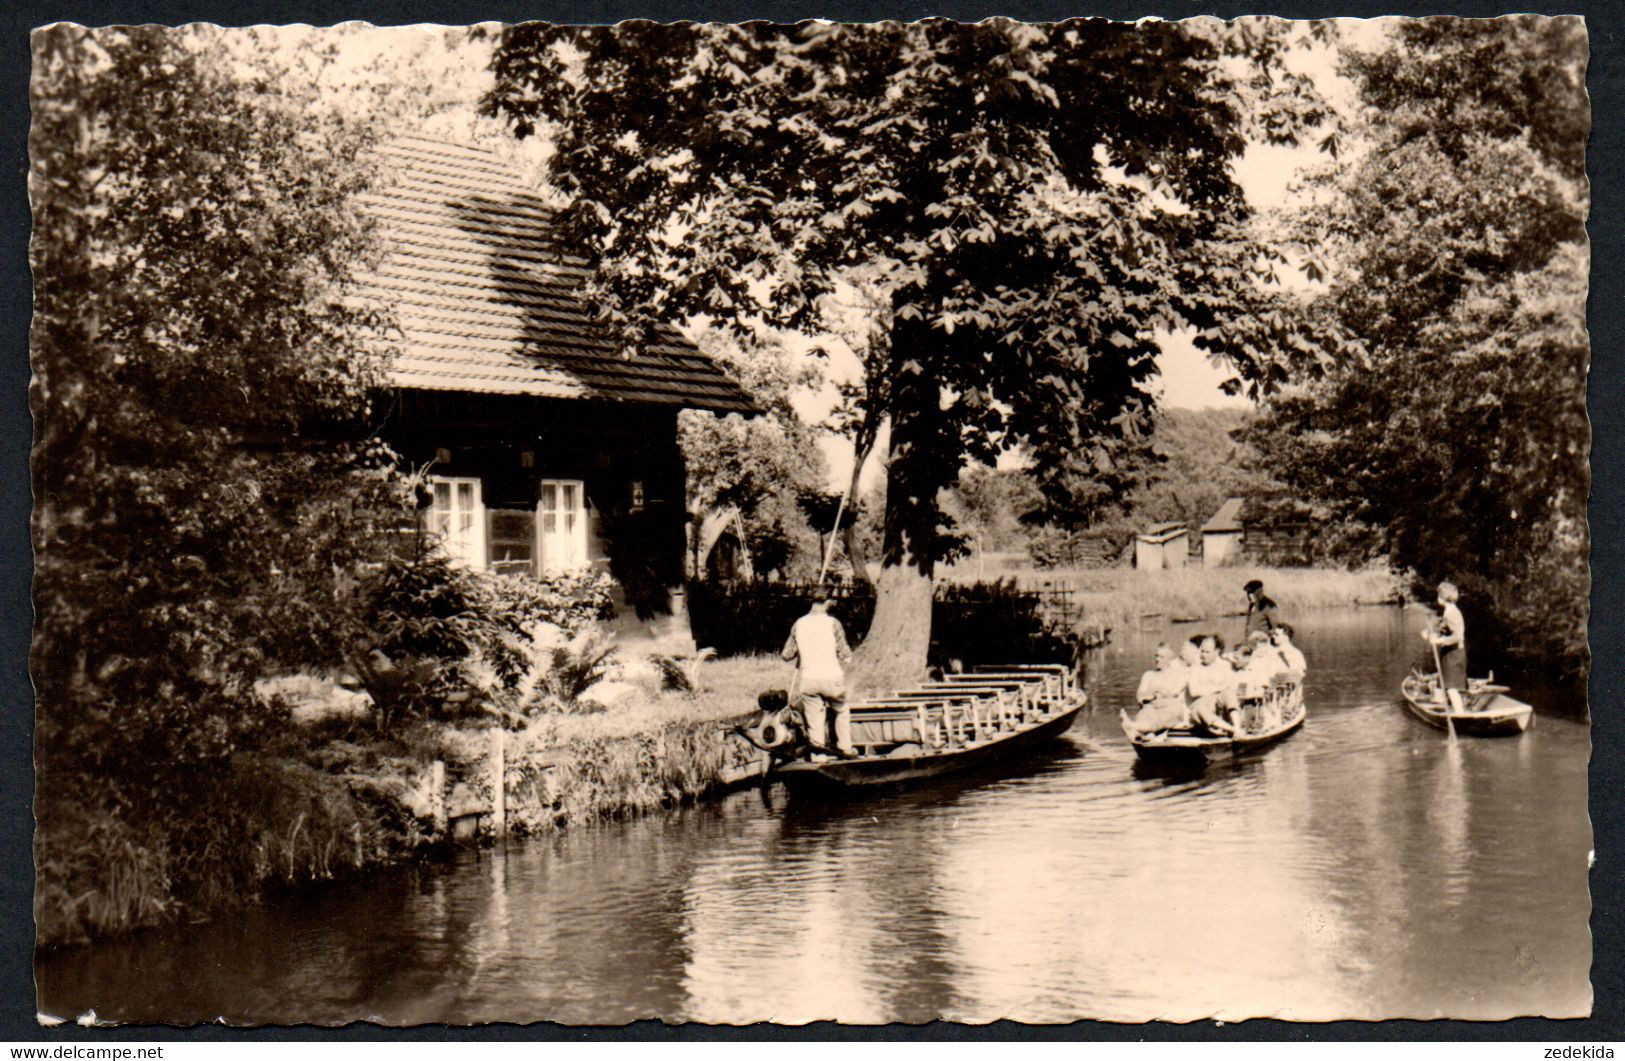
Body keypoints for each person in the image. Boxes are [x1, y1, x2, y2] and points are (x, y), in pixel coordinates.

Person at [782, 585, 855, 757]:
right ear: (828, 602)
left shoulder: (799, 624)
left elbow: (786, 655)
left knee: (814, 719)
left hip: (809, 679)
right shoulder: (833, 623)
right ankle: (845, 748)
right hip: (831, 677)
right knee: (841, 709)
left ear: (812, 601)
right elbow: (846, 654)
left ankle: (818, 756)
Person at [1125, 642, 1191, 737]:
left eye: (1161, 657)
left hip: (1170, 708)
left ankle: (1140, 728)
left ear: (1170, 660)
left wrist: (1153, 693)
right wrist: (1157, 692)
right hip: (1150, 707)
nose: (1157, 659)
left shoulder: (1179, 675)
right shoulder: (1148, 675)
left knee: (1165, 714)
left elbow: (1172, 695)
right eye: (1156, 656)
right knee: (1143, 714)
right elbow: (1140, 697)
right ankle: (1145, 731)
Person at [1424, 580, 1468, 711]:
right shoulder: (1450, 611)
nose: (1437, 598)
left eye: (1438, 595)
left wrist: (1438, 641)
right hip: (1450, 654)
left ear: (1443, 598)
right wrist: (1432, 633)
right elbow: (1446, 628)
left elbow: (1458, 636)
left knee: (1451, 689)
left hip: (1454, 655)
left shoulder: (1451, 613)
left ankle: (1460, 715)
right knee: (1445, 684)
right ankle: (1442, 701)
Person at [1185, 635, 1238, 736]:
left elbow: (1230, 686)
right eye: (1202, 651)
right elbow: (1194, 691)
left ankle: (1237, 727)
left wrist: (1207, 688)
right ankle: (1232, 730)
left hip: (1219, 703)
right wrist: (1218, 688)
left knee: (1229, 694)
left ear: (1217, 652)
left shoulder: (1225, 666)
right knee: (1200, 710)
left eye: (1207, 652)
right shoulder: (1195, 668)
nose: (1203, 655)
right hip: (1201, 704)